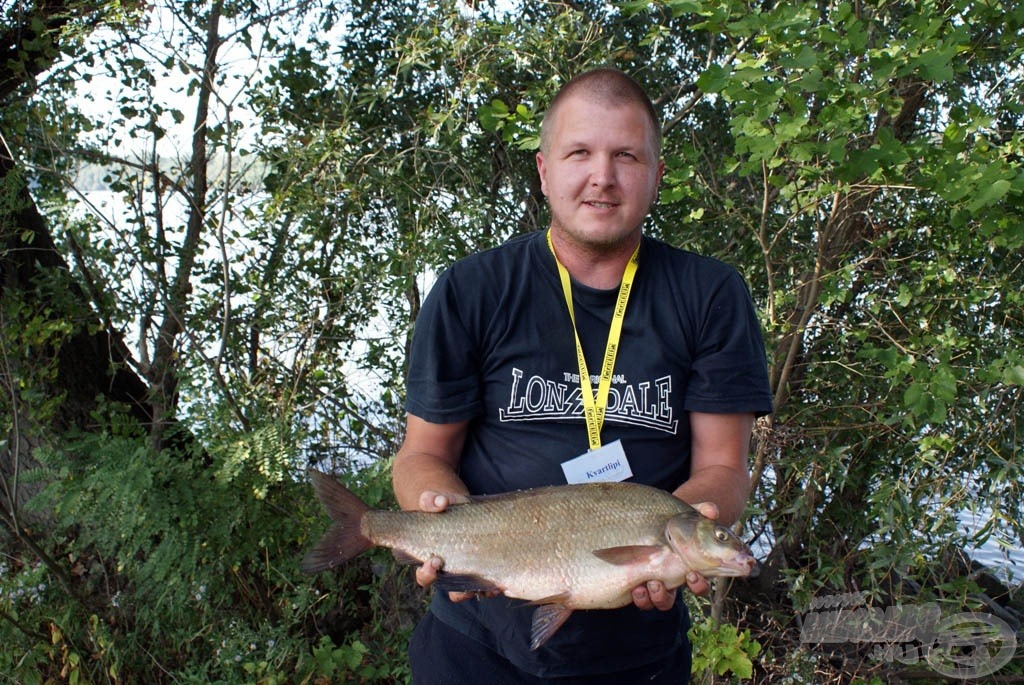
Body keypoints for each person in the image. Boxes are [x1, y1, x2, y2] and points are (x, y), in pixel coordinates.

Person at [391, 66, 773, 683]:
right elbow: (419, 457)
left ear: (656, 175)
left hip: (640, 653)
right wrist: (444, 518)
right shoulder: (472, 289)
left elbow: (725, 468)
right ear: (544, 170)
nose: (603, 176)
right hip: (474, 647)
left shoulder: (711, 295)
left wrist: (675, 541)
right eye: (579, 153)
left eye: (626, 155)